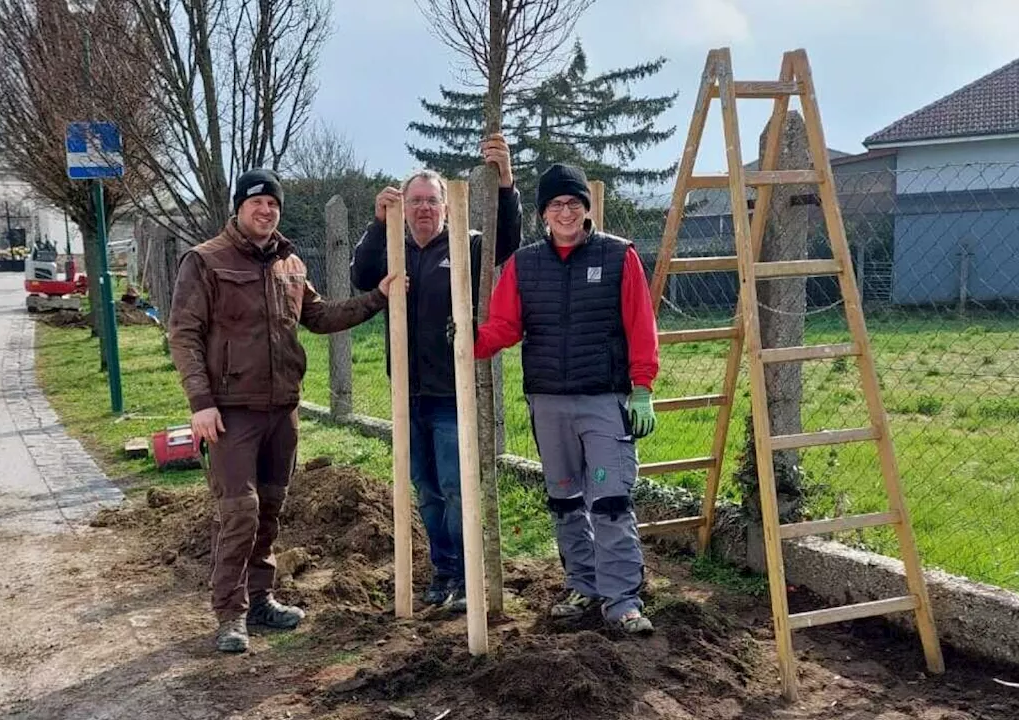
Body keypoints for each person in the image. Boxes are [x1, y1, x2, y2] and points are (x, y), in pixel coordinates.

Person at [169, 168, 400, 654]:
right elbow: (184, 336)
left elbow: (321, 317)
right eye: (256, 203)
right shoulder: (206, 261)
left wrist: (379, 297)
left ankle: (261, 597)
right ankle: (229, 614)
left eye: (273, 204)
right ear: (238, 208)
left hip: (282, 410)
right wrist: (201, 403)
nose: (266, 210)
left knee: (271, 506)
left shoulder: (289, 264)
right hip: (230, 413)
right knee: (239, 511)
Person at [471, 162, 658, 634]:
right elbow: (505, 326)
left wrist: (642, 389)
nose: (565, 211)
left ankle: (622, 599)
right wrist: (466, 340)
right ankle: (583, 584)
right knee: (565, 501)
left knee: (610, 500)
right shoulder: (523, 265)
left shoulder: (619, 256)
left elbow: (641, 325)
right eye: (556, 205)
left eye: (573, 203)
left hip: (603, 400)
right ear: (542, 215)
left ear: (586, 209)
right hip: (548, 400)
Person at [349, 134, 523, 610]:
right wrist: (374, 222)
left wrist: (506, 184)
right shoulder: (394, 247)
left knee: (454, 486)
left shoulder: (465, 245)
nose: (424, 209)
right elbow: (361, 277)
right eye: (416, 201)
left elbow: (507, 241)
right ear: (404, 208)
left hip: (452, 392)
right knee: (425, 489)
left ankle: (469, 577)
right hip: (408, 392)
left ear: (446, 206)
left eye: (432, 201)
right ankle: (443, 572)